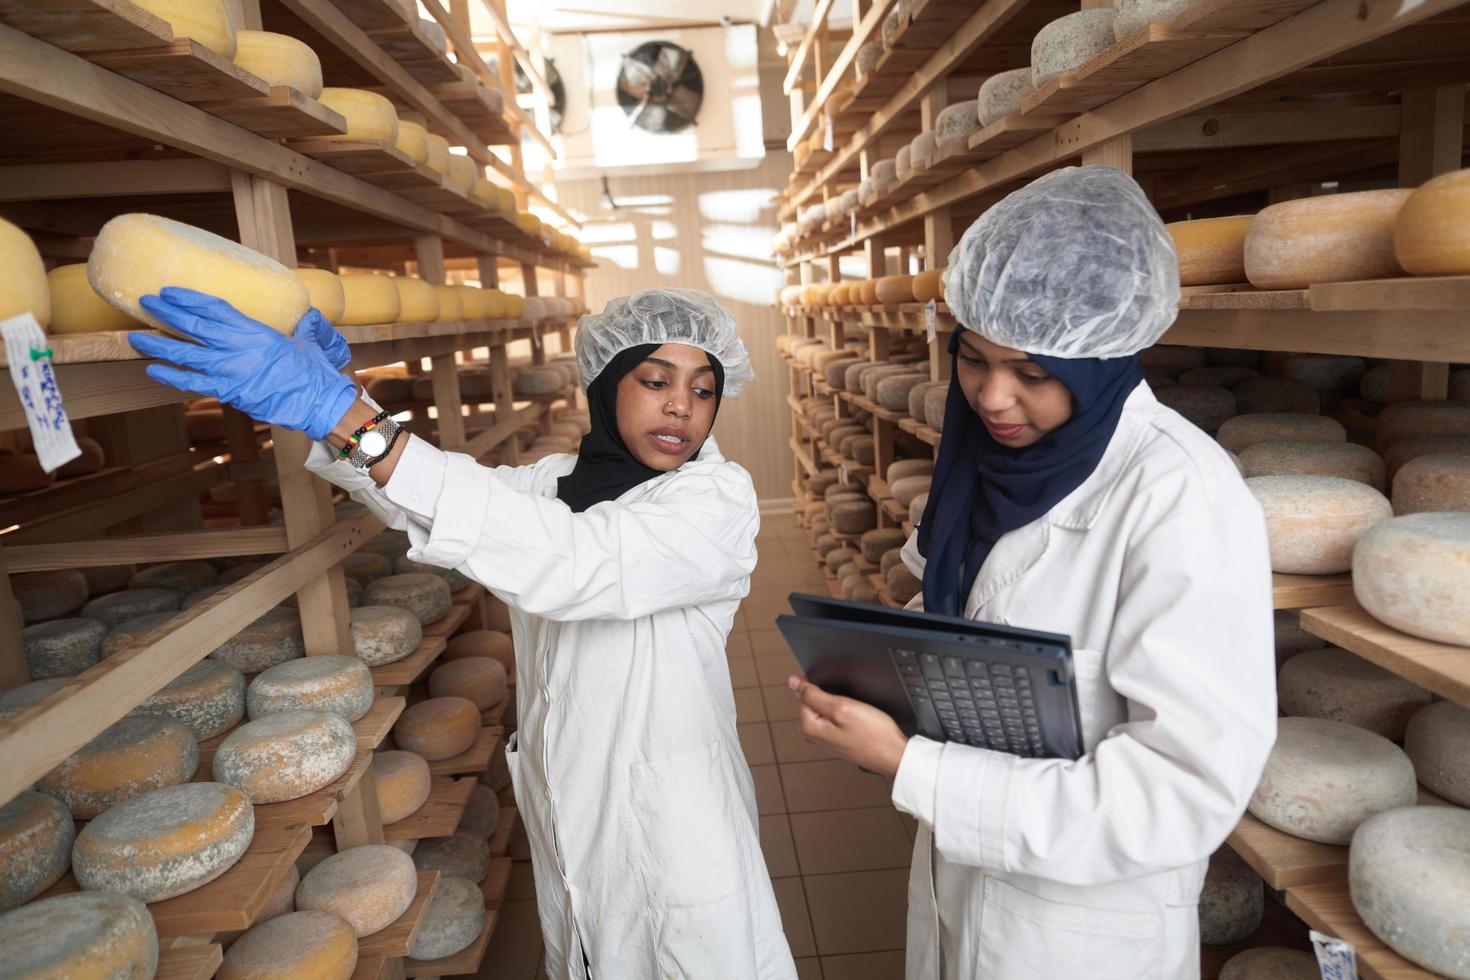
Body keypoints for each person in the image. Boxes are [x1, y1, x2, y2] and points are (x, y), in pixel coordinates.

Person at [130, 286, 798, 980]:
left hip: (675, 828)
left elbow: (569, 563)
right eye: (655, 380)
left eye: (703, 388)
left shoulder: (714, 500)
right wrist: (337, 412)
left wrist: (348, 417)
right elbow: (433, 504)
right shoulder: (553, 482)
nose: (681, 407)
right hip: (575, 808)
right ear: (605, 382)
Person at [788, 166, 1276, 979]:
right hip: (967, 875)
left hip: (1080, 922)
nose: (992, 397)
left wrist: (916, 768)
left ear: (1099, 359)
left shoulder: (1182, 497)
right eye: (973, 359)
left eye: (1033, 374)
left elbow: (1182, 791)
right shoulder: (984, 460)